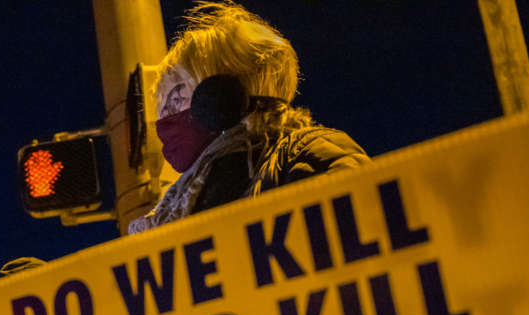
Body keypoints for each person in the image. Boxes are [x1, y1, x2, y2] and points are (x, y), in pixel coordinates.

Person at [129, 1, 369, 234]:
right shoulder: (177, 204)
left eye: (176, 98)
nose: (164, 119)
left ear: (222, 95)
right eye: (162, 107)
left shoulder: (310, 155)